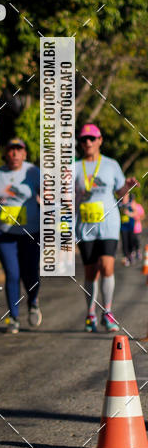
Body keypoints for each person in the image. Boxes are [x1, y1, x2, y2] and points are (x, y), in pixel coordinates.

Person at [74, 123, 137, 333]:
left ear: (100, 140)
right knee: (91, 271)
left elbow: (120, 192)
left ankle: (107, 313)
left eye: (92, 138)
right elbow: (66, 196)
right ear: (81, 143)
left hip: (108, 223)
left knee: (107, 266)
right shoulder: (74, 167)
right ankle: (90, 313)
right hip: (85, 224)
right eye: (84, 139)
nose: (88, 142)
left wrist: (127, 186)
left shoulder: (111, 165)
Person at [0, 137, 41, 333]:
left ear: (24, 154)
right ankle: (13, 317)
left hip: (30, 232)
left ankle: (33, 302)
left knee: (30, 272)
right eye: (11, 150)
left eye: (19, 150)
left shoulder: (33, 172)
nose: (15, 153)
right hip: (3, 233)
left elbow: (48, 195)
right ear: (6, 154)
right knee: (12, 273)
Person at [120, 193, 136, 266]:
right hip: (122, 226)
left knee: (131, 241)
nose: (124, 195)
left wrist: (129, 213)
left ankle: (131, 254)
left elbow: (135, 213)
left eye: (126, 194)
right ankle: (126, 257)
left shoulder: (131, 202)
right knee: (124, 242)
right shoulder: (118, 202)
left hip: (130, 226)